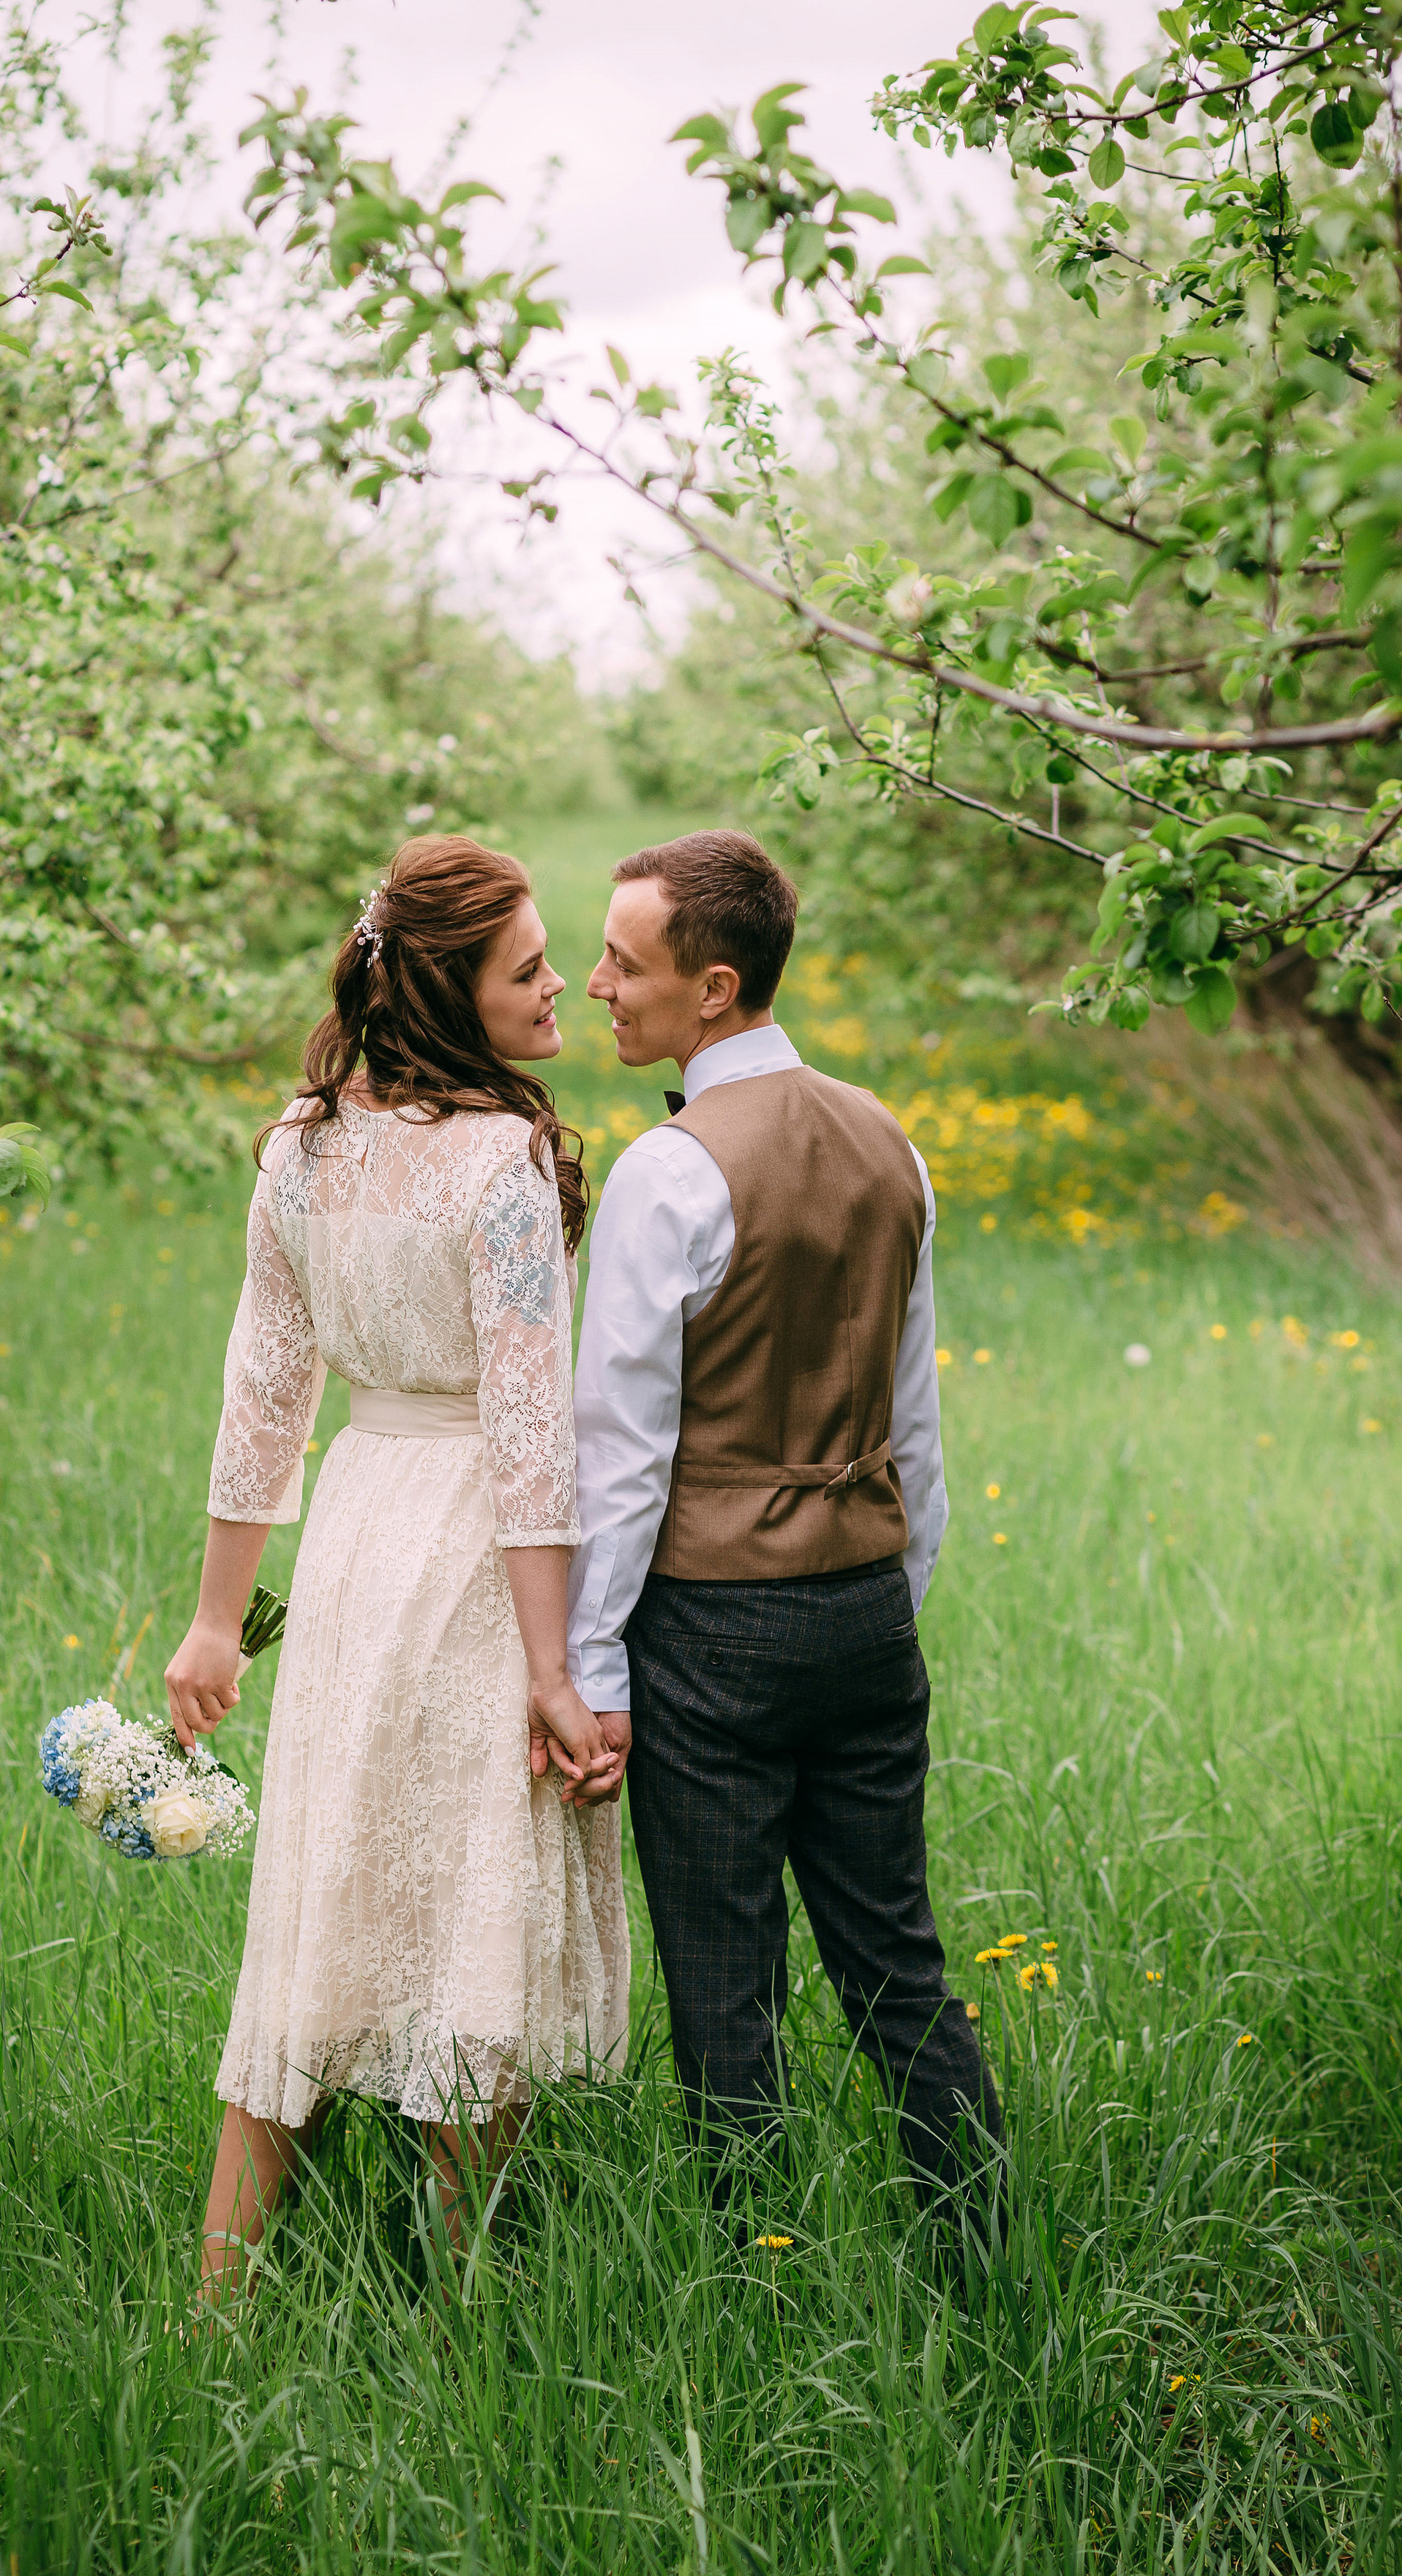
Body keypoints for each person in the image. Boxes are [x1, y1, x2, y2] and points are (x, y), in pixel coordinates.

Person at [165, 834, 629, 2307]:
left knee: (318, 1909)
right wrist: (556, 1672)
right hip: (469, 1555)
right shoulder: (503, 1161)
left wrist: (215, 1626)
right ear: (445, 990)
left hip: (362, 1526)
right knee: (465, 1917)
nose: (560, 985)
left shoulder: (298, 1145)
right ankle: (460, 2326)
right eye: (528, 968)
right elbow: (526, 1433)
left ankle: (215, 2312)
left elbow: (263, 1401)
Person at [566, 828, 1002, 2214]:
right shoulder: (893, 1144)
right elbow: (912, 1421)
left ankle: (753, 2280)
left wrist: (593, 1665)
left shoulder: (668, 1171)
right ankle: (981, 2237)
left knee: (724, 1982)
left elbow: (621, 1458)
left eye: (625, 964)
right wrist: (884, 1587)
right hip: (869, 1610)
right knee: (898, 1964)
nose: (597, 986)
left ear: (714, 986)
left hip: (713, 1631)